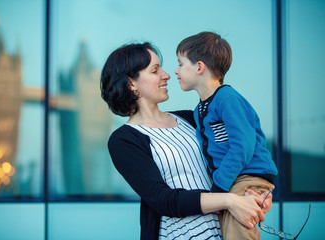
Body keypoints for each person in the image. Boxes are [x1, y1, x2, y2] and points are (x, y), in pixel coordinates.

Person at [100, 42, 272, 240]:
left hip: (224, 232)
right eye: (155, 70)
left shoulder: (191, 118)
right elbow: (162, 200)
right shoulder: (124, 140)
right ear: (132, 83)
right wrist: (229, 200)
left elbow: (237, 153)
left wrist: (255, 195)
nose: (167, 75)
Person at [174, 31, 278, 240]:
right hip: (233, 179)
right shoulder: (200, 110)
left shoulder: (227, 99)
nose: (176, 71)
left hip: (245, 177)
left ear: (199, 67)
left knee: (236, 233)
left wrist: (218, 187)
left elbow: (243, 147)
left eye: (180, 64)